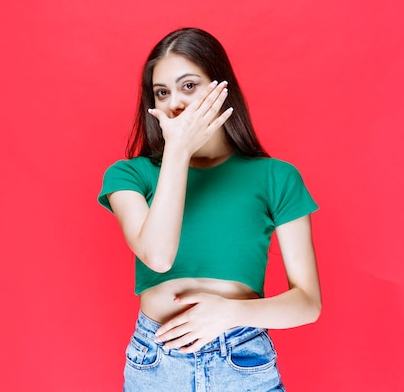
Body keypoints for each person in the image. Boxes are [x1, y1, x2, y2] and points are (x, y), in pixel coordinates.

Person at [98, 27, 321, 392]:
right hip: (157, 364)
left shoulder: (275, 177)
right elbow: (157, 256)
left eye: (189, 85)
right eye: (162, 92)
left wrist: (231, 312)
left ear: (222, 87)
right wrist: (178, 151)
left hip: (243, 358)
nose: (175, 103)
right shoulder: (130, 175)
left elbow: (308, 303)